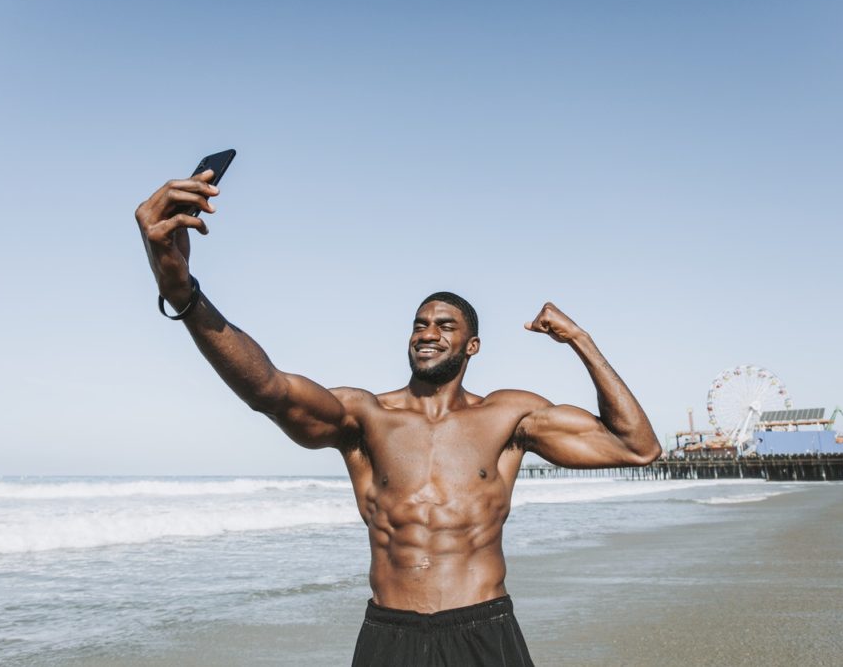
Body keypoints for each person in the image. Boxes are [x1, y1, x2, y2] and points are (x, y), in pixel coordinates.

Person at [135, 170, 662, 667]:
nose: (427, 332)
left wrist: (580, 340)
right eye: (419, 323)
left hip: (483, 626)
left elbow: (638, 447)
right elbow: (269, 390)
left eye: (445, 325)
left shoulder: (510, 415)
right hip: (391, 632)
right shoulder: (366, 416)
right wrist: (184, 293)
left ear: (472, 345)